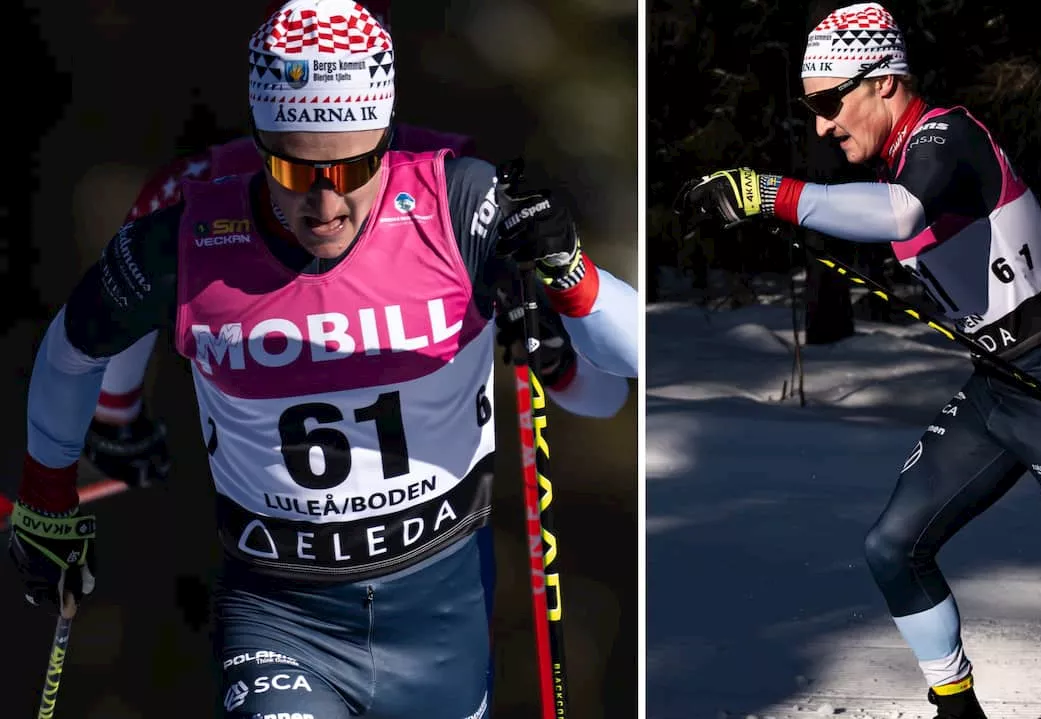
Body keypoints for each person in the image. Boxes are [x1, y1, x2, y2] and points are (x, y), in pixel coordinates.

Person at [8, 1, 638, 717]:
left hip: (440, 614)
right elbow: (74, 349)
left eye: (354, 165)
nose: (326, 202)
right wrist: (52, 488)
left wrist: (570, 270)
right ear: (260, 140)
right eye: (294, 168)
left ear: (389, 139)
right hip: (281, 614)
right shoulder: (190, 226)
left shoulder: (460, 200)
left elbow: (621, 374)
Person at [673, 3, 1041, 718]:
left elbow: (899, 215)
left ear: (886, 83)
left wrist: (767, 193)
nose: (822, 126)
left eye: (830, 103)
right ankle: (957, 709)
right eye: (812, 109)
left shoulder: (945, 137)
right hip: (999, 391)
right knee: (892, 548)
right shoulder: (900, 159)